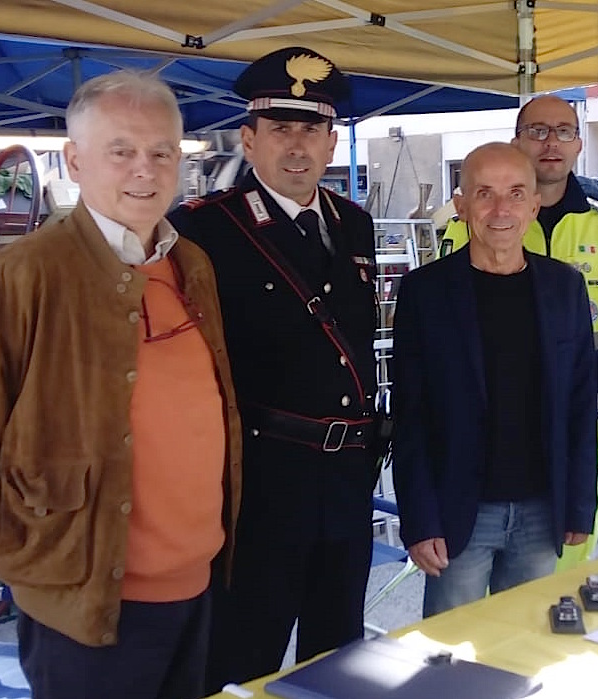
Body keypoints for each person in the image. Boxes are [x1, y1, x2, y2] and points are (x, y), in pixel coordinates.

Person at [0, 70, 241, 699]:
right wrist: (52, 541)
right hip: (88, 608)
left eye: (162, 153)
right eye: (121, 151)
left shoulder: (190, 263)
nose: (144, 170)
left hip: (201, 585)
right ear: (74, 159)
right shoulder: (18, 279)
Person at [167, 47, 381, 685]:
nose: (297, 147)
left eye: (311, 129)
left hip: (347, 478)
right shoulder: (202, 231)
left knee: (338, 654)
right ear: (249, 140)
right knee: (243, 655)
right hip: (262, 483)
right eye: (281, 130)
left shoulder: (354, 225)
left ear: (331, 141)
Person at [393, 142, 598, 617]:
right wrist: (420, 520)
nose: (500, 209)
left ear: (534, 205)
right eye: (484, 193)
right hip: (461, 513)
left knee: (523, 648)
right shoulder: (426, 293)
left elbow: (579, 404)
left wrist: (578, 504)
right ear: (461, 206)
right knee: (449, 660)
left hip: (542, 510)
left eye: (515, 193)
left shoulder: (564, 287)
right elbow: (410, 416)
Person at [439, 95, 598, 567]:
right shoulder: (471, 222)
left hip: (572, 434)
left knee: (556, 593)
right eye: (537, 131)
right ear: (517, 140)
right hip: (480, 437)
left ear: (579, 143)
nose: (551, 143)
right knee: (471, 606)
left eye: (564, 131)